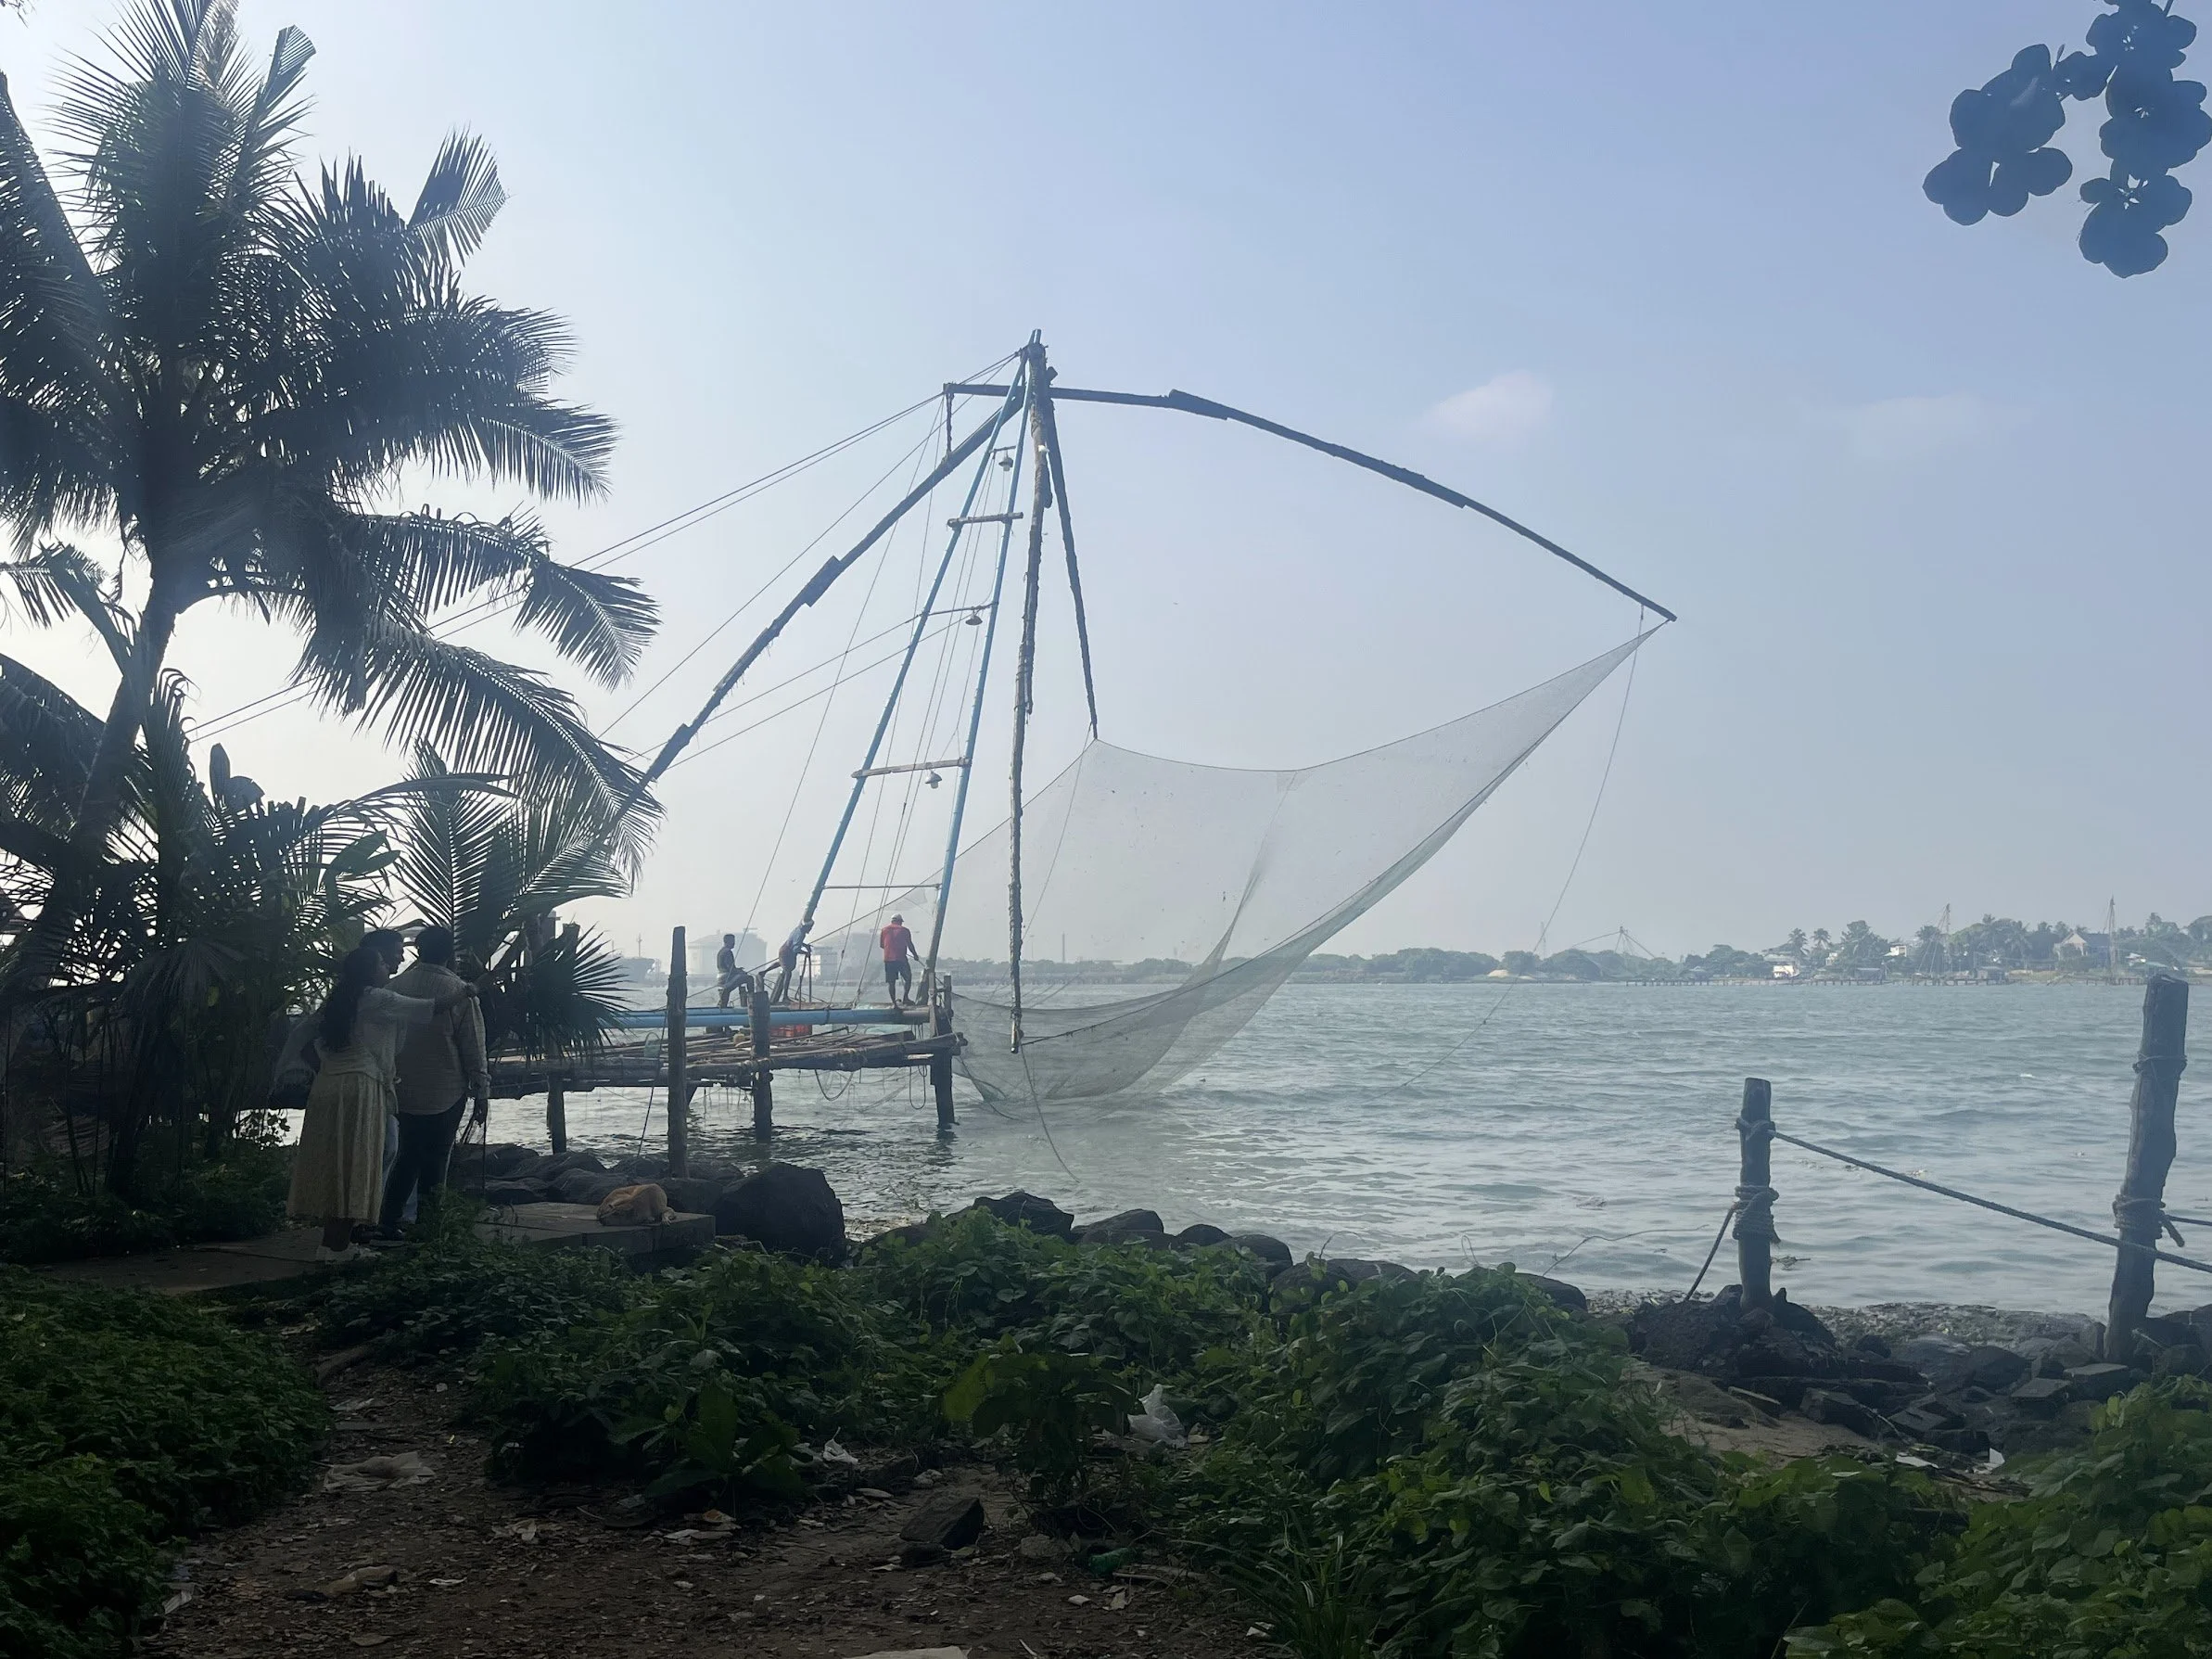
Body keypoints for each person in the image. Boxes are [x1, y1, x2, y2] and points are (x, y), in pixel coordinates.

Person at [289, 943, 475, 1262]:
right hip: (361, 1087)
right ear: (367, 970)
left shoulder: (337, 1002)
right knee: (356, 1162)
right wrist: (468, 989)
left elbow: (303, 1041)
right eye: (381, 961)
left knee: (335, 1163)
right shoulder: (377, 998)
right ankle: (340, 1248)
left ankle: (330, 1243)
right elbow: (433, 1006)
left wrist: (329, 1069)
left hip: (329, 1086)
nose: (388, 966)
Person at [381, 925, 489, 1237]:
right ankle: (430, 1227)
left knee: (407, 1155)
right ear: (449, 954)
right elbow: (473, 1046)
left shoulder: (394, 986)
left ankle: (388, 1221)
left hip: (403, 1088)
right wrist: (481, 1091)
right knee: (437, 1158)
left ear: (418, 951)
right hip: (447, 1089)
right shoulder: (459, 991)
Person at [879, 913, 919, 1007]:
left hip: (888, 959)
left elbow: (882, 945)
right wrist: (915, 955)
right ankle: (905, 998)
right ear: (900, 921)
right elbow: (910, 944)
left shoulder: (884, 930)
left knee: (891, 982)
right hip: (901, 959)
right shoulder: (904, 930)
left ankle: (894, 1003)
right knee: (908, 978)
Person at [716, 932, 752, 1009]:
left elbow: (729, 967)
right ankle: (752, 1000)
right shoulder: (728, 952)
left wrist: (738, 970)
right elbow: (731, 969)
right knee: (749, 978)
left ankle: (723, 1004)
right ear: (727, 942)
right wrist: (740, 972)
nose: (734, 943)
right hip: (726, 977)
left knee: (728, 990)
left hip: (720, 976)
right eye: (732, 941)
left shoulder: (721, 951)